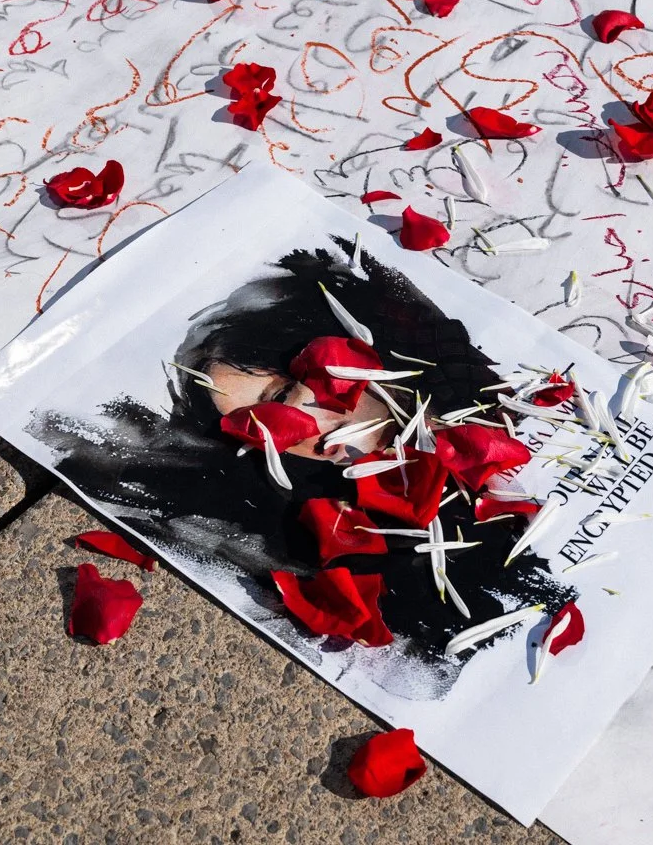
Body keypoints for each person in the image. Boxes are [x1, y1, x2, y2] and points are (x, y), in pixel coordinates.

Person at [30, 236, 572, 676]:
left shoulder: (510, 412)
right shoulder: (383, 551)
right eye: (255, 436)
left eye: (280, 400)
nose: (288, 440)